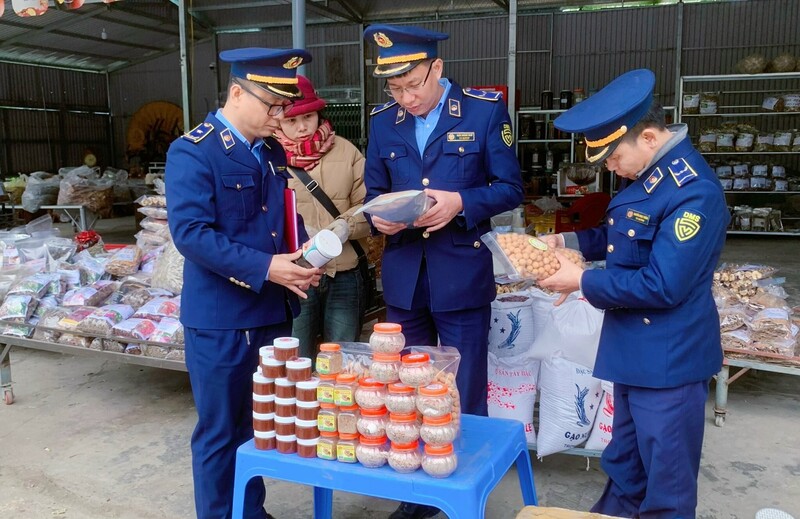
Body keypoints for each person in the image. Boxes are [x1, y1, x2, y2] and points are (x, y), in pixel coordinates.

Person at [538, 69, 729, 518]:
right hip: (633, 350)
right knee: (626, 465)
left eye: (612, 157)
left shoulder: (692, 192)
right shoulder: (650, 174)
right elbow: (619, 235)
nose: (608, 167)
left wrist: (581, 281)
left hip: (668, 358)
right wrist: (565, 244)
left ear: (647, 136)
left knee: (667, 485)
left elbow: (663, 284)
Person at [362, 24, 523, 519]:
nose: (406, 97)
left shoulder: (483, 111)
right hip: (406, 277)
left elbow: (510, 187)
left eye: (413, 84)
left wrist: (460, 201)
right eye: (394, 88)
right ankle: (416, 495)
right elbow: (372, 194)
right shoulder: (384, 122)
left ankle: (461, 493)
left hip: (462, 273)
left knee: (464, 388)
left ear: (437, 68)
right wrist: (378, 216)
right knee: (406, 390)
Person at [165, 48, 322, 519]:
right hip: (221, 319)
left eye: (283, 107)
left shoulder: (271, 151)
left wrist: (304, 254)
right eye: (272, 106)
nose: (280, 118)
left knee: (259, 426)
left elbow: (278, 220)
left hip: (271, 312)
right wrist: (268, 267)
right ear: (237, 92)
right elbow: (191, 234)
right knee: (219, 432)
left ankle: (249, 511)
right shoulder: (193, 150)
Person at [275, 74, 371, 357]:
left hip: (344, 273)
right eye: (291, 120)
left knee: (340, 358)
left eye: (308, 117)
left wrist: (345, 226)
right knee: (295, 359)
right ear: (278, 121)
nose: (302, 127)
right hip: (295, 276)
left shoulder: (347, 151)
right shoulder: (268, 158)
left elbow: (369, 205)